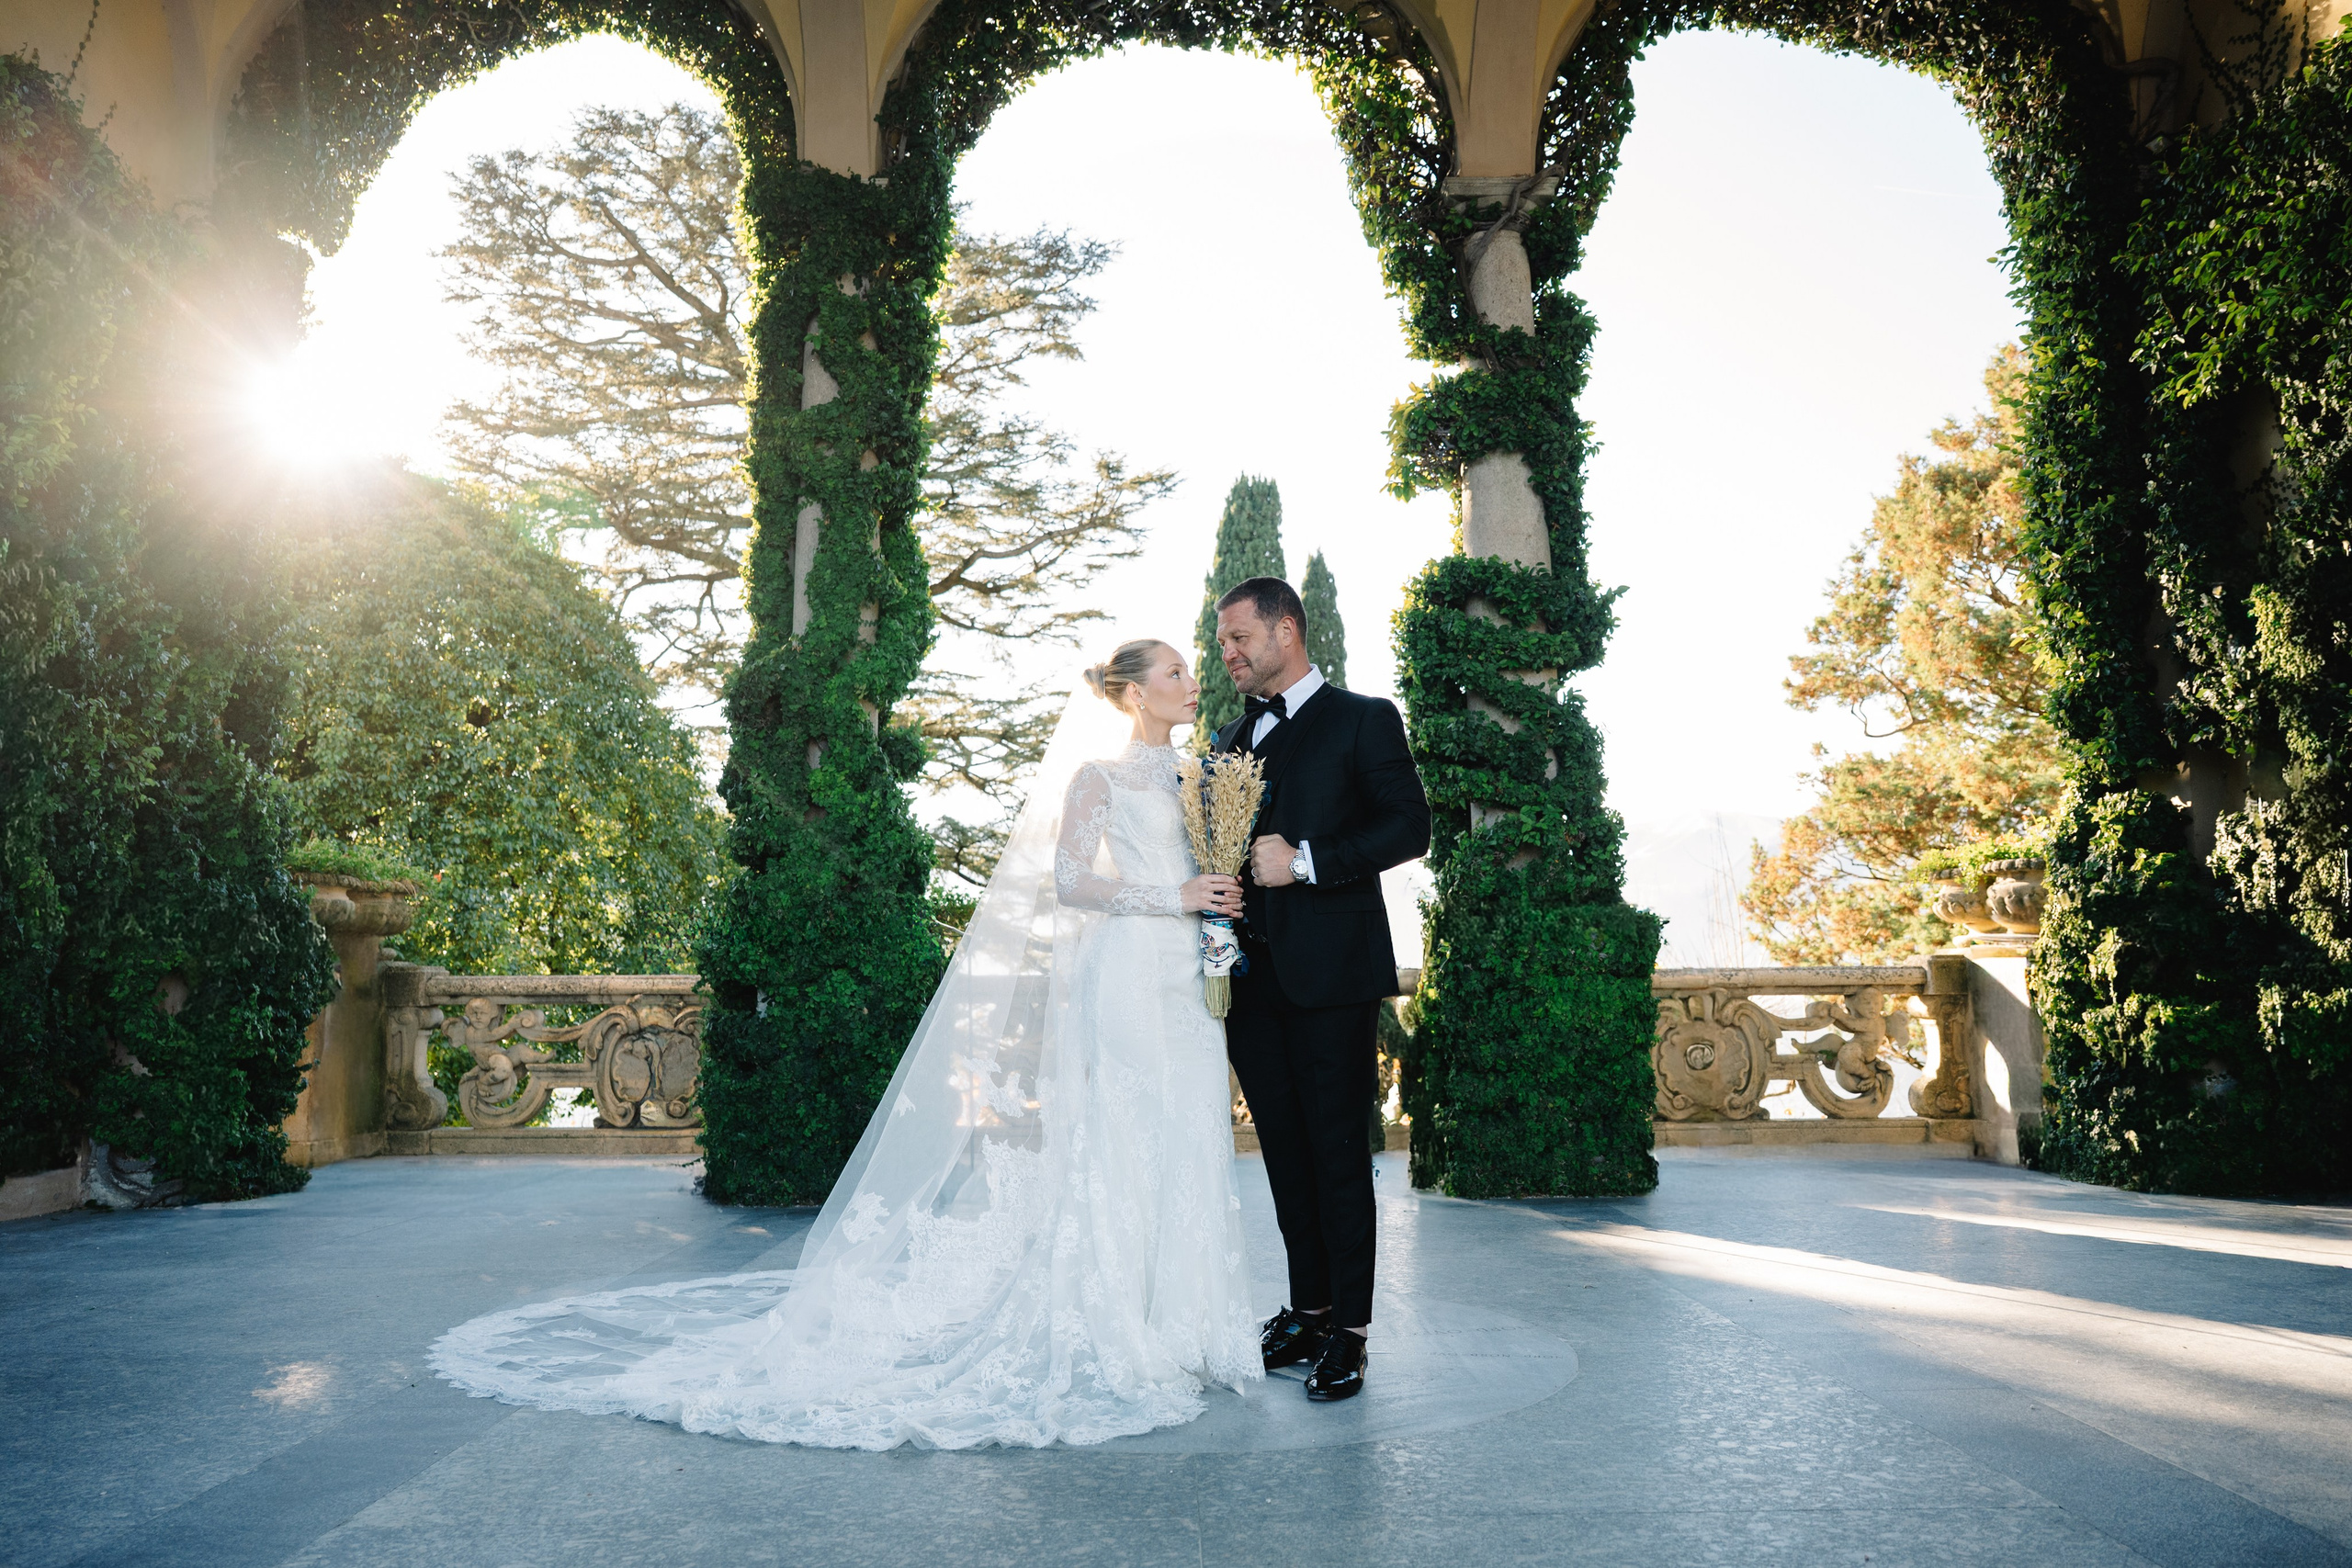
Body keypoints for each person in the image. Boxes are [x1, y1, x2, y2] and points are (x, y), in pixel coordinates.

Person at [428, 640, 1261, 1449]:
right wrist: (1174, 891)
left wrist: (1217, 896)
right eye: (1176, 672)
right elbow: (1072, 882)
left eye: (1191, 670)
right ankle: (1121, 1323)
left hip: (1188, 981)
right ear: (1132, 691)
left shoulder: (1200, 773)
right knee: (1121, 1138)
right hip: (1125, 977)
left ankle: (1185, 1321)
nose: (1192, 681)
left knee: (1184, 1134)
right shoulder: (1099, 777)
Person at [1211, 576, 1430, 1403]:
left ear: (1287, 630)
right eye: (1224, 641)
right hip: (1250, 984)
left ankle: (1351, 1331)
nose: (1227, 653)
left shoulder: (1364, 718)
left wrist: (1303, 860)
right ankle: (1307, 1308)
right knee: (1285, 1156)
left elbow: (1410, 825)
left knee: (1338, 1155)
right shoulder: (1231, 736)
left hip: (1333, 979)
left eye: (1239, 637)